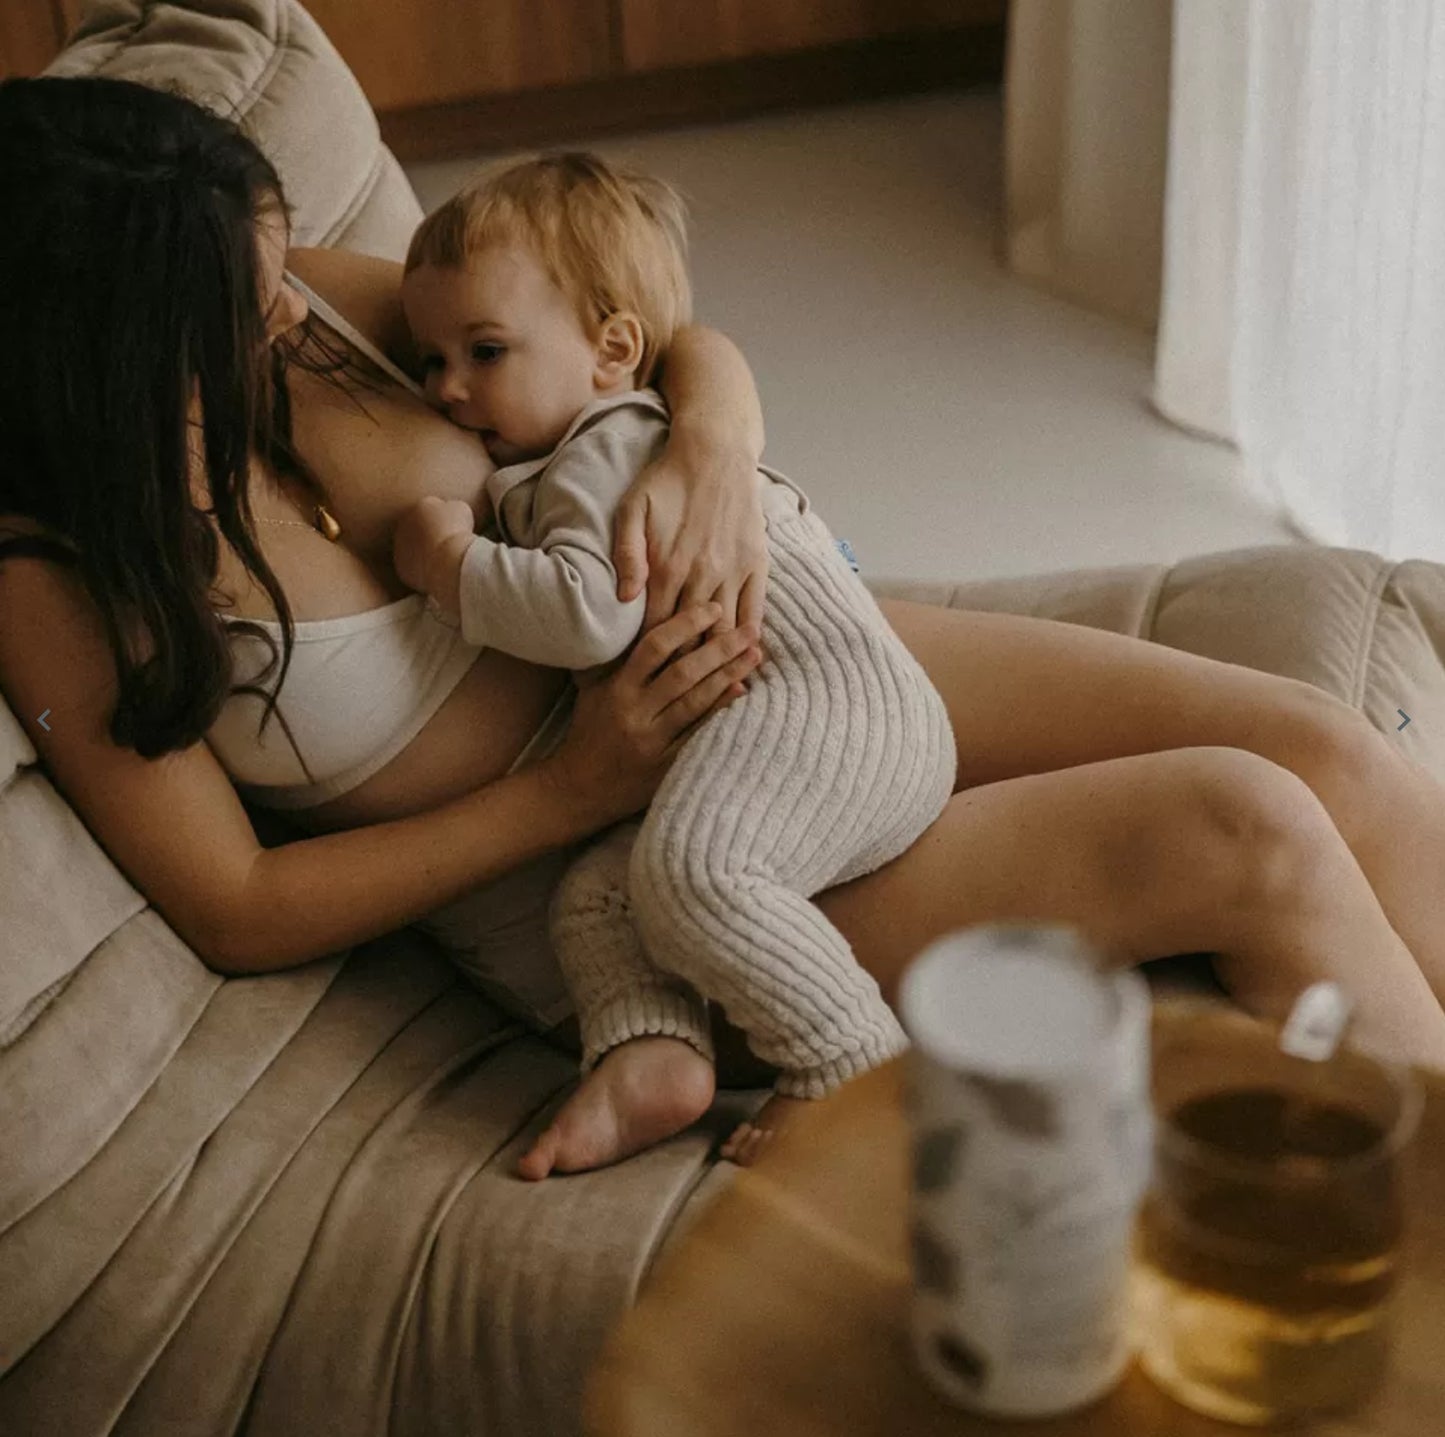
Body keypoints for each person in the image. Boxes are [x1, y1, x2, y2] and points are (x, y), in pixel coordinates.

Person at [4, 76, 1445, 1190]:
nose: (290, 312)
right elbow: (237, 904)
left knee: (1324, 749)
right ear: (108, 356)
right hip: (643, 871)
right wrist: (572, 788)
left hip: (788, 668)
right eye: (244, 310)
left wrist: (709, 446)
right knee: (1245, 827)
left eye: (277, 277)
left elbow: (636, 326)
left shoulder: (291, 292)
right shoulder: (56, 579)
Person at [392, 151, 957, 1177]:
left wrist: (448, 566)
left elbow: (589, 614)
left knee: (695, 874)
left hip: (826, 703)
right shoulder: (573, 448)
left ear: (612, 351)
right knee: (596, 899)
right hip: (796, 715)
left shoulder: (602, 449)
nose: (446, 389)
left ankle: (851, 1071)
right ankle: (650, 1058)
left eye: (483, 351)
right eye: (429, 360)